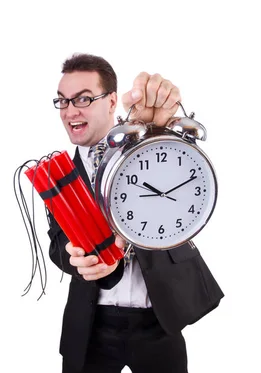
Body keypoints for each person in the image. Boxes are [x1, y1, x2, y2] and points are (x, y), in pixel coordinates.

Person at [46, 53, 224, 373]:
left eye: (83, 98)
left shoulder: (144, 145)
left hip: (159, 324)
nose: (70, 110)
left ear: (112, 101)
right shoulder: (59, 173)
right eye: (62, 101)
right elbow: (57, 244)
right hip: (90, 329)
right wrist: (74, 256)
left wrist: (151, 125)